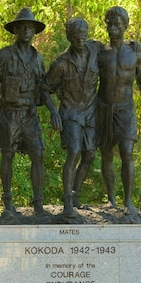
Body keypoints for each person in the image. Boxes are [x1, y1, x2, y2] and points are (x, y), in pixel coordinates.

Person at [0, 8, 61, 216]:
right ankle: (7, 203)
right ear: (15, 30)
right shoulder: (5, 55)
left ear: (34, 31)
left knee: (38, 154)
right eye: (22, 26)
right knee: (7, 156)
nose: (26, 30)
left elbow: (42, 89)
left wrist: (54, 111)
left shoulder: (37, 58)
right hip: (10, 114)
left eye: (30, 27)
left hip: (30, 114)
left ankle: (38, 204)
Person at [97, 6, 141, 217]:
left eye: (117, 25)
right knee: (105, 154)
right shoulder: (99, 52)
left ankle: (128, 202)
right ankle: (111, 199)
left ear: (125, 27)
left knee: (127, 152)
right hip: (103, 109)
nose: (113, 28)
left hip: (126, 110)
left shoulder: (135, 53)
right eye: (110, 24)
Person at [46, 17, 102, 218]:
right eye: (76, 37)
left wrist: (133, 46)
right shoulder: (61, 63)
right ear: (69, 37)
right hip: (70, 112)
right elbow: (45, 89)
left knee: (90, 155)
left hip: (90, 111)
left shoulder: (96, 50)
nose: (81, 40)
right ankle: (68, 202)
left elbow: (116, 50)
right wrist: (53, 112)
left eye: (83, 36)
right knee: (74, 151)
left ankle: (76, 194)